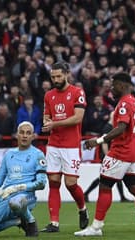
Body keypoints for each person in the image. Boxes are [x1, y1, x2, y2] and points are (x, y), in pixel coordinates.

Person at [74, 72, 135, 237]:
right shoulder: (134, 101)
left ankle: (96, 227)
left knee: (105, 186)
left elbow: (121, 127)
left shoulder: (124, 103)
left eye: (114, 84)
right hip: (134, 151)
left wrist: (99, 140)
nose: (111, 88)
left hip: (121, 151)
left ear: (123, 85)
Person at [0, 121, 47, 237]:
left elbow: (42, 183)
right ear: (17, 135)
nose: (25, 135)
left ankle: (30, 221)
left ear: (33, 136)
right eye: (22, 132)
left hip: (26, 197)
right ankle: (17, 221)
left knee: (16, 202)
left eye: (28, 133)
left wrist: (19, 187)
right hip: (5, 197)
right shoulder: (8, 154)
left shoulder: (38, 154)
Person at [40, 62, 88, 232]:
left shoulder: (77, 92)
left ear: (67, 74)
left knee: (70, 184)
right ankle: (54, 223)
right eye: (53, 77)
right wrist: (47, 122)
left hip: (71, 146)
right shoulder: (49, 95)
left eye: (59, 76)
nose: (56, 80)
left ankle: (82, 209)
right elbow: (47, 115)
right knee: (53, 182)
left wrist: (54, 123)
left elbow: (78, 118)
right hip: (53, 145)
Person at [83, 111, 131, 202]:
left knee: (113, 176)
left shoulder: (111, 127)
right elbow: (104, 143)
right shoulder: (107, 128)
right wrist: (107, 156)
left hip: (111, 155)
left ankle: (86, 194)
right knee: (106, 177)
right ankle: (86, 193)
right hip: (109, 155)